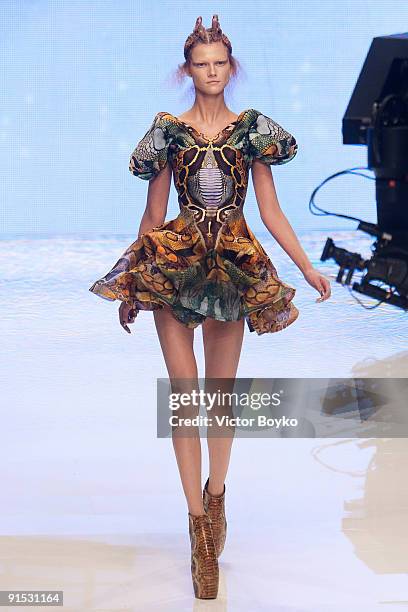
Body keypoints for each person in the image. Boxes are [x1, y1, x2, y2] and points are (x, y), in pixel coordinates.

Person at [89, 14, 331, 600]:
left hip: (232, 269)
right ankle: (198, 530)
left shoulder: (251, 133)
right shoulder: (168, 133)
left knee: (219, 397)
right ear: (187, 70)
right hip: (175, 265)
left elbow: (269, 209)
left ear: (233, 66)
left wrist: (305, 266)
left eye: (220, 62)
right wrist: (132, 279)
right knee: (184, 396)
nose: (212, 71)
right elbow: (153, 212)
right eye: (202, 63)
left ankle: (215, 495)